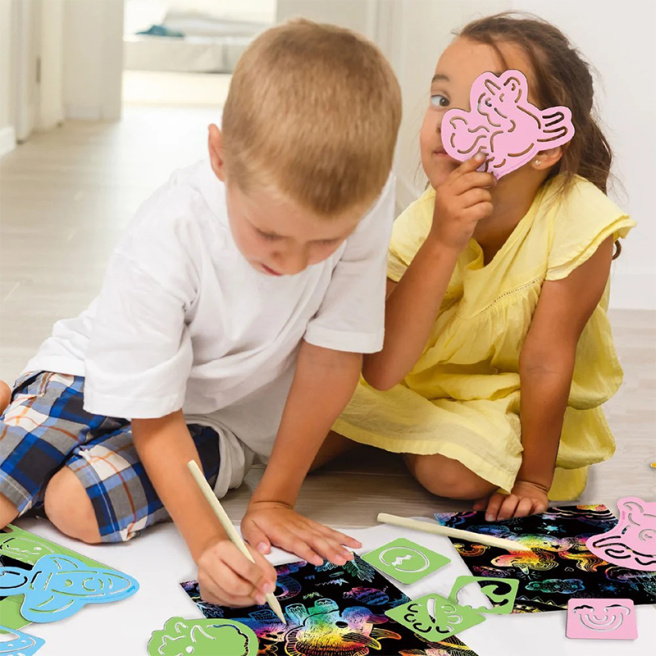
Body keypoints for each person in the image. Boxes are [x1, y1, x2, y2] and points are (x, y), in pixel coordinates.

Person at [0, 20, 402, 607]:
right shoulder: (170, 232)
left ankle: (19, 416)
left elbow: (333, 355)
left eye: (323, 243)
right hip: (91, 372)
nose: (293, 263)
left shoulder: (363, 200)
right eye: (270, 234)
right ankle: (24, 405)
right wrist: (209, 539)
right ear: (219, 157)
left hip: (220, 421)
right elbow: (153, 412)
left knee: (74, 507)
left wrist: (274, 499)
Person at [329, 13, 635, 521]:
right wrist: (443, 240)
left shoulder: (580, 219)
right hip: (410, 382)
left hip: (509, 400)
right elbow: (380, 369)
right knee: (301, 407)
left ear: (544, 145)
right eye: (441, 99)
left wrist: (534, 479)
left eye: (486, 106)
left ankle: (392, 438)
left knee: (455, 476)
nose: (450, 123)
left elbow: (545, 362)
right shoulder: (422, 218)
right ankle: (396, 434)